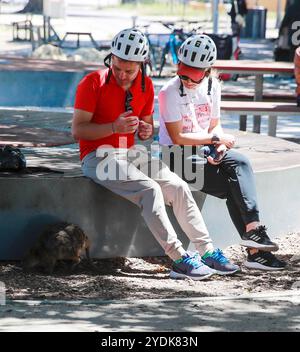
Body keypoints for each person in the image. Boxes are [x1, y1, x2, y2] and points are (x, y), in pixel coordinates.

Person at [72, 28, 239, 280]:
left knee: (179, 187)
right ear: (111, 59)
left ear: (142, 65)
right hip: (97, 155)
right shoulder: (92, 82)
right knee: (150, 189)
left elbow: (145, 130)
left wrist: (146, 129)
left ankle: (208, 251)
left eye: (129, 70)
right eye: (117, 68)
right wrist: (112, 127)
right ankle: (179, 259)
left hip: (130, 152)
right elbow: (78, 130)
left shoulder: (146, 86)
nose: (122, 75)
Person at [158, 34, 287, 271]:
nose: (186, 79)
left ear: (207, 71)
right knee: (232, 186)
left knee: (242, 162)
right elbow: (178, 137)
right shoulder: (169, 92)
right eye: (183, 72)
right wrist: (216, 138)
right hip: (177, 156)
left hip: (204, 149)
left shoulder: (213, 86)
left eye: (193, 76)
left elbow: (213, 124)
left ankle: (253, 231)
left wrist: (218, 145)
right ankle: (256, 253)